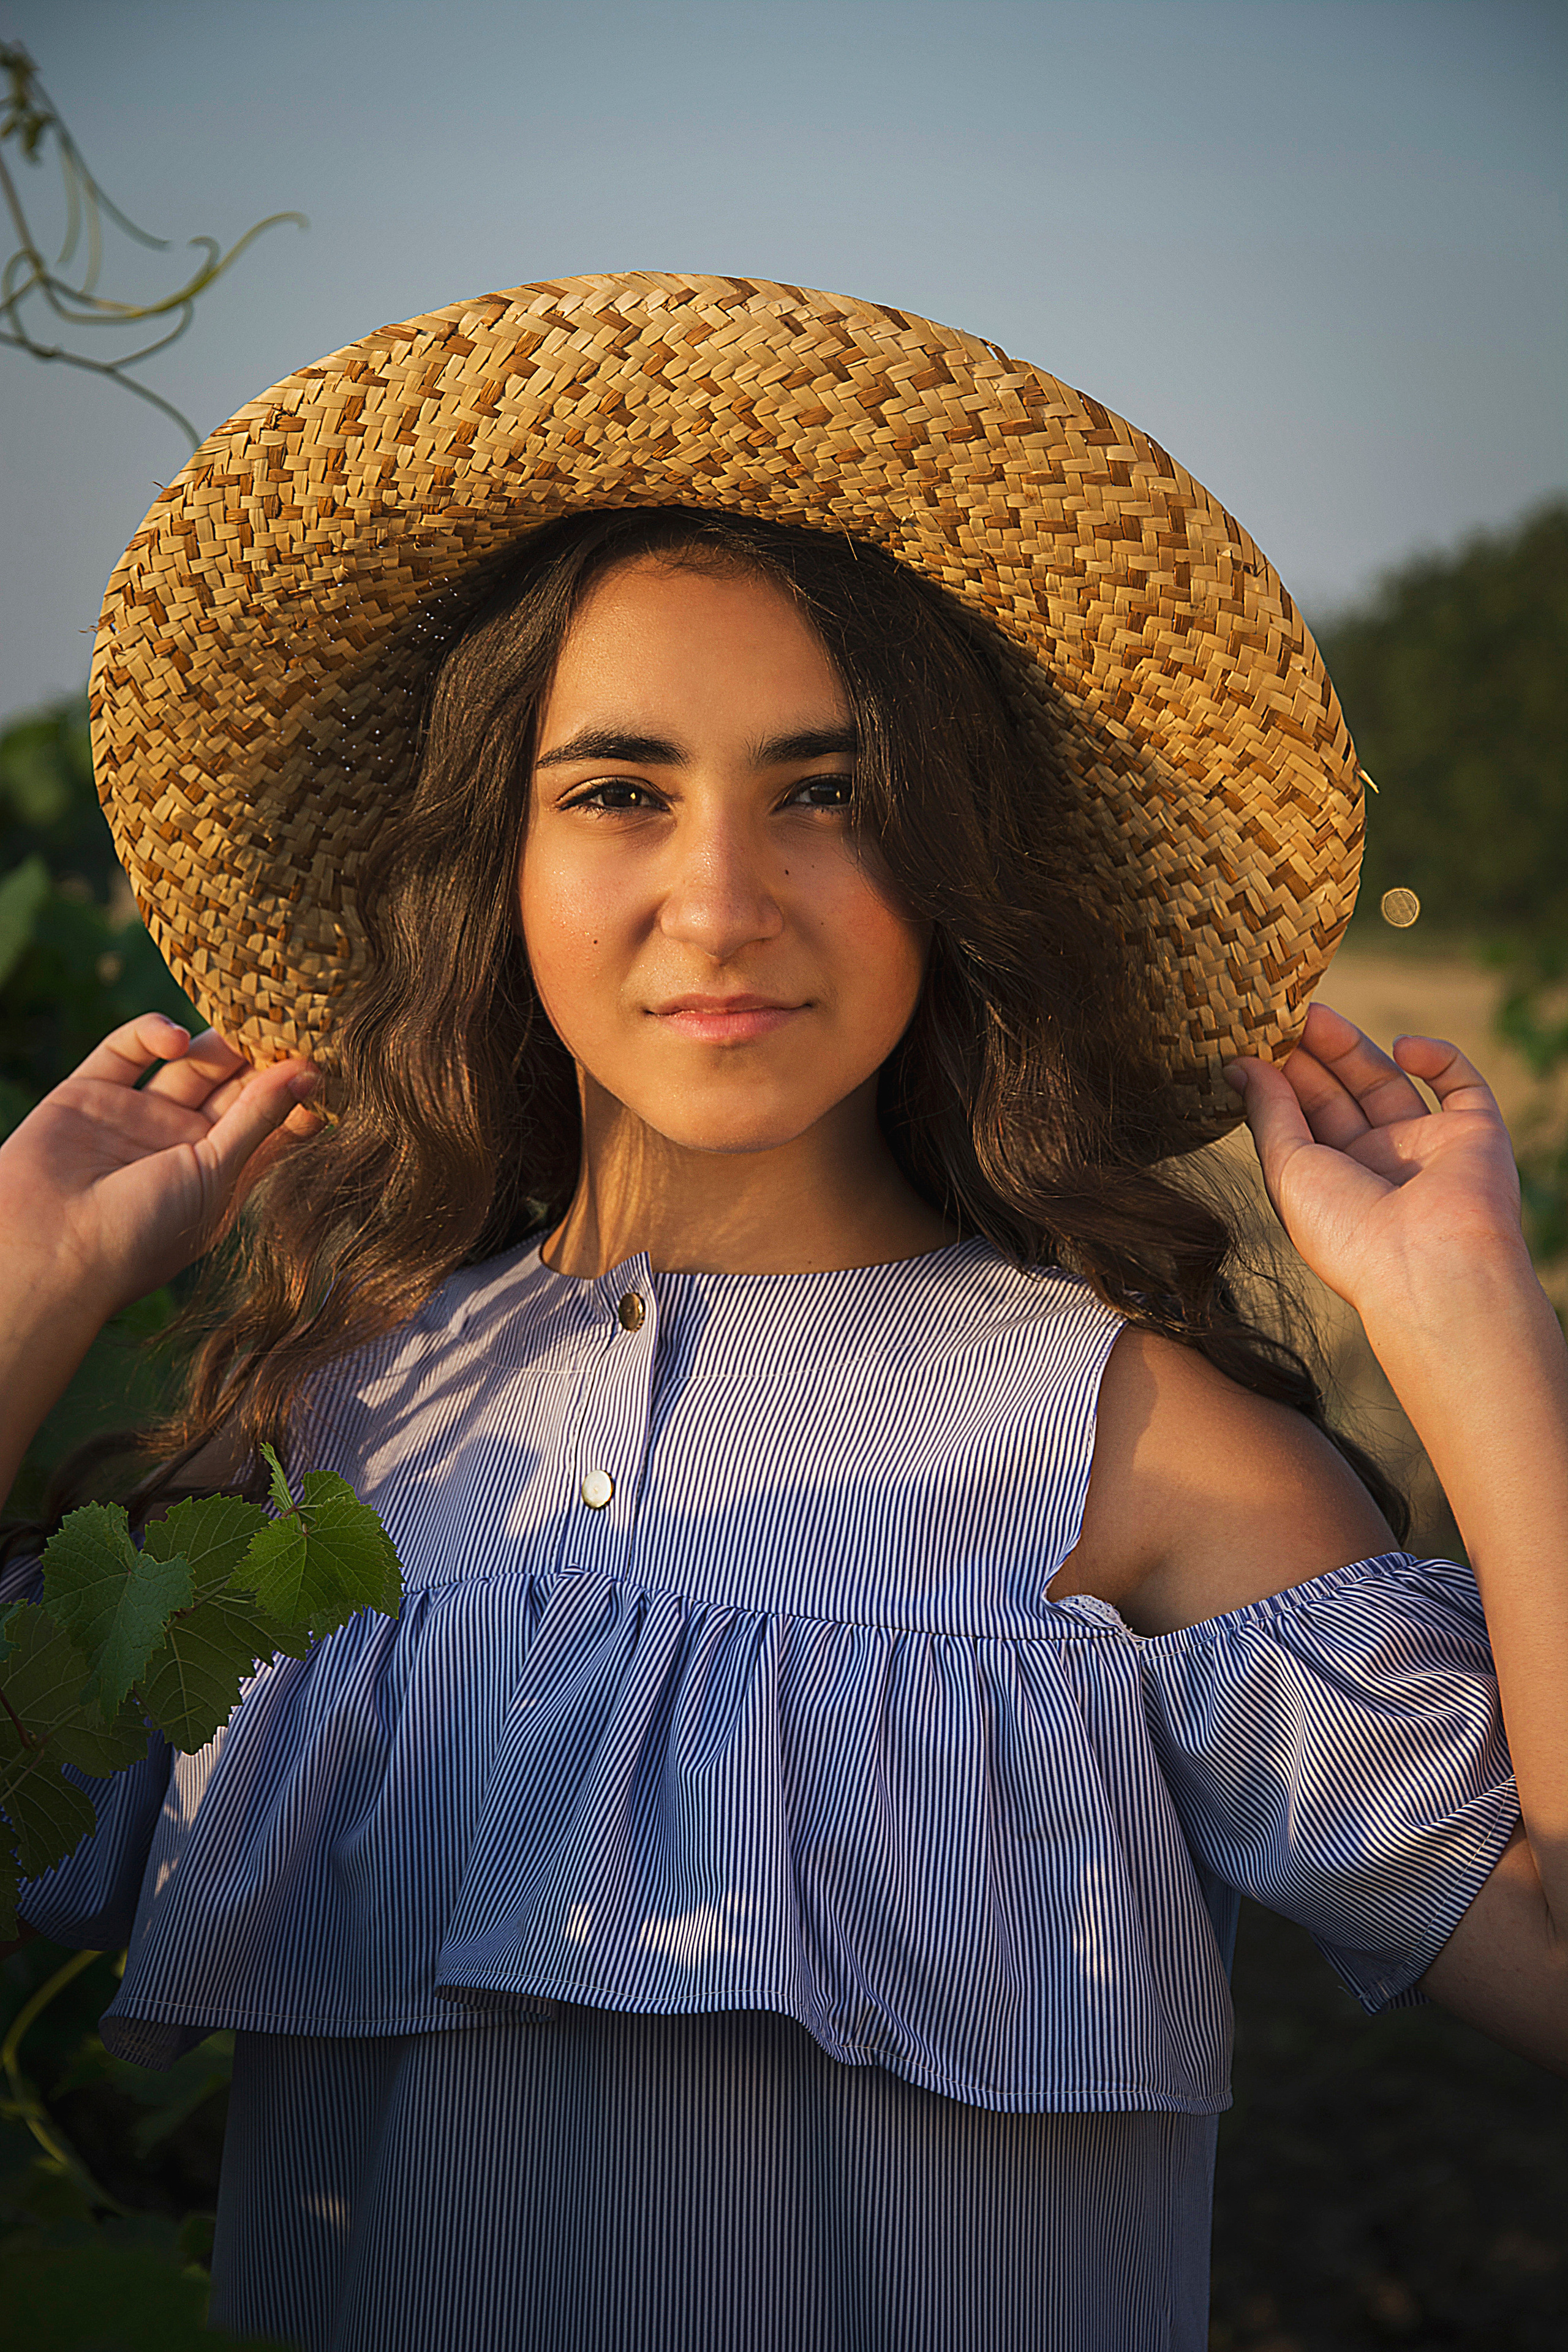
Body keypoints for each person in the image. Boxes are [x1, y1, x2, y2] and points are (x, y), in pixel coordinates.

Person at [1, 276, 1562, 2352]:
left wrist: (1479, 1333)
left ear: (954, 863)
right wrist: (22, 1295)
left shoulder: (1145, 1451)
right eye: (620, 790)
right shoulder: (321, 1444)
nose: (722, 900)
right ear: (497, 862)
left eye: (825, 793)